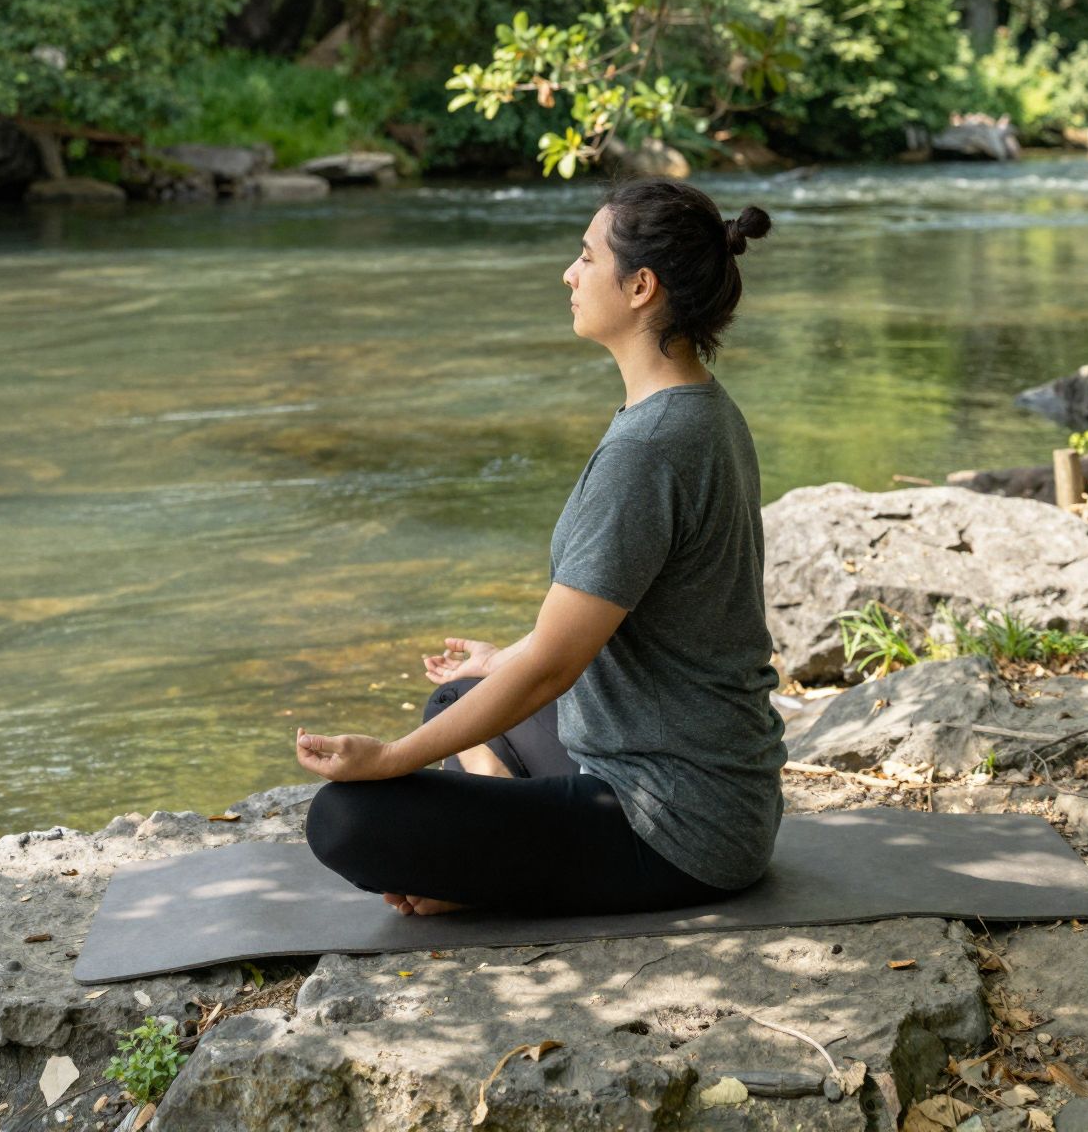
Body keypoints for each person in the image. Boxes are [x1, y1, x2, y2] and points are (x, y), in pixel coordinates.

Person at [297, 175, 786, 918]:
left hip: (674, 824)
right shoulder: (700, 410)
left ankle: (477, 869)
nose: (570, 272)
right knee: (459, 695)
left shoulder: (650, 447)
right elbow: (609, 609)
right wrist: (503, 661)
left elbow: (554, 669)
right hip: (707, 787)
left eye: (586, 257)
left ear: (640, 287)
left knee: (346, 818)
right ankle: (489, 837)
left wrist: (391, 757)